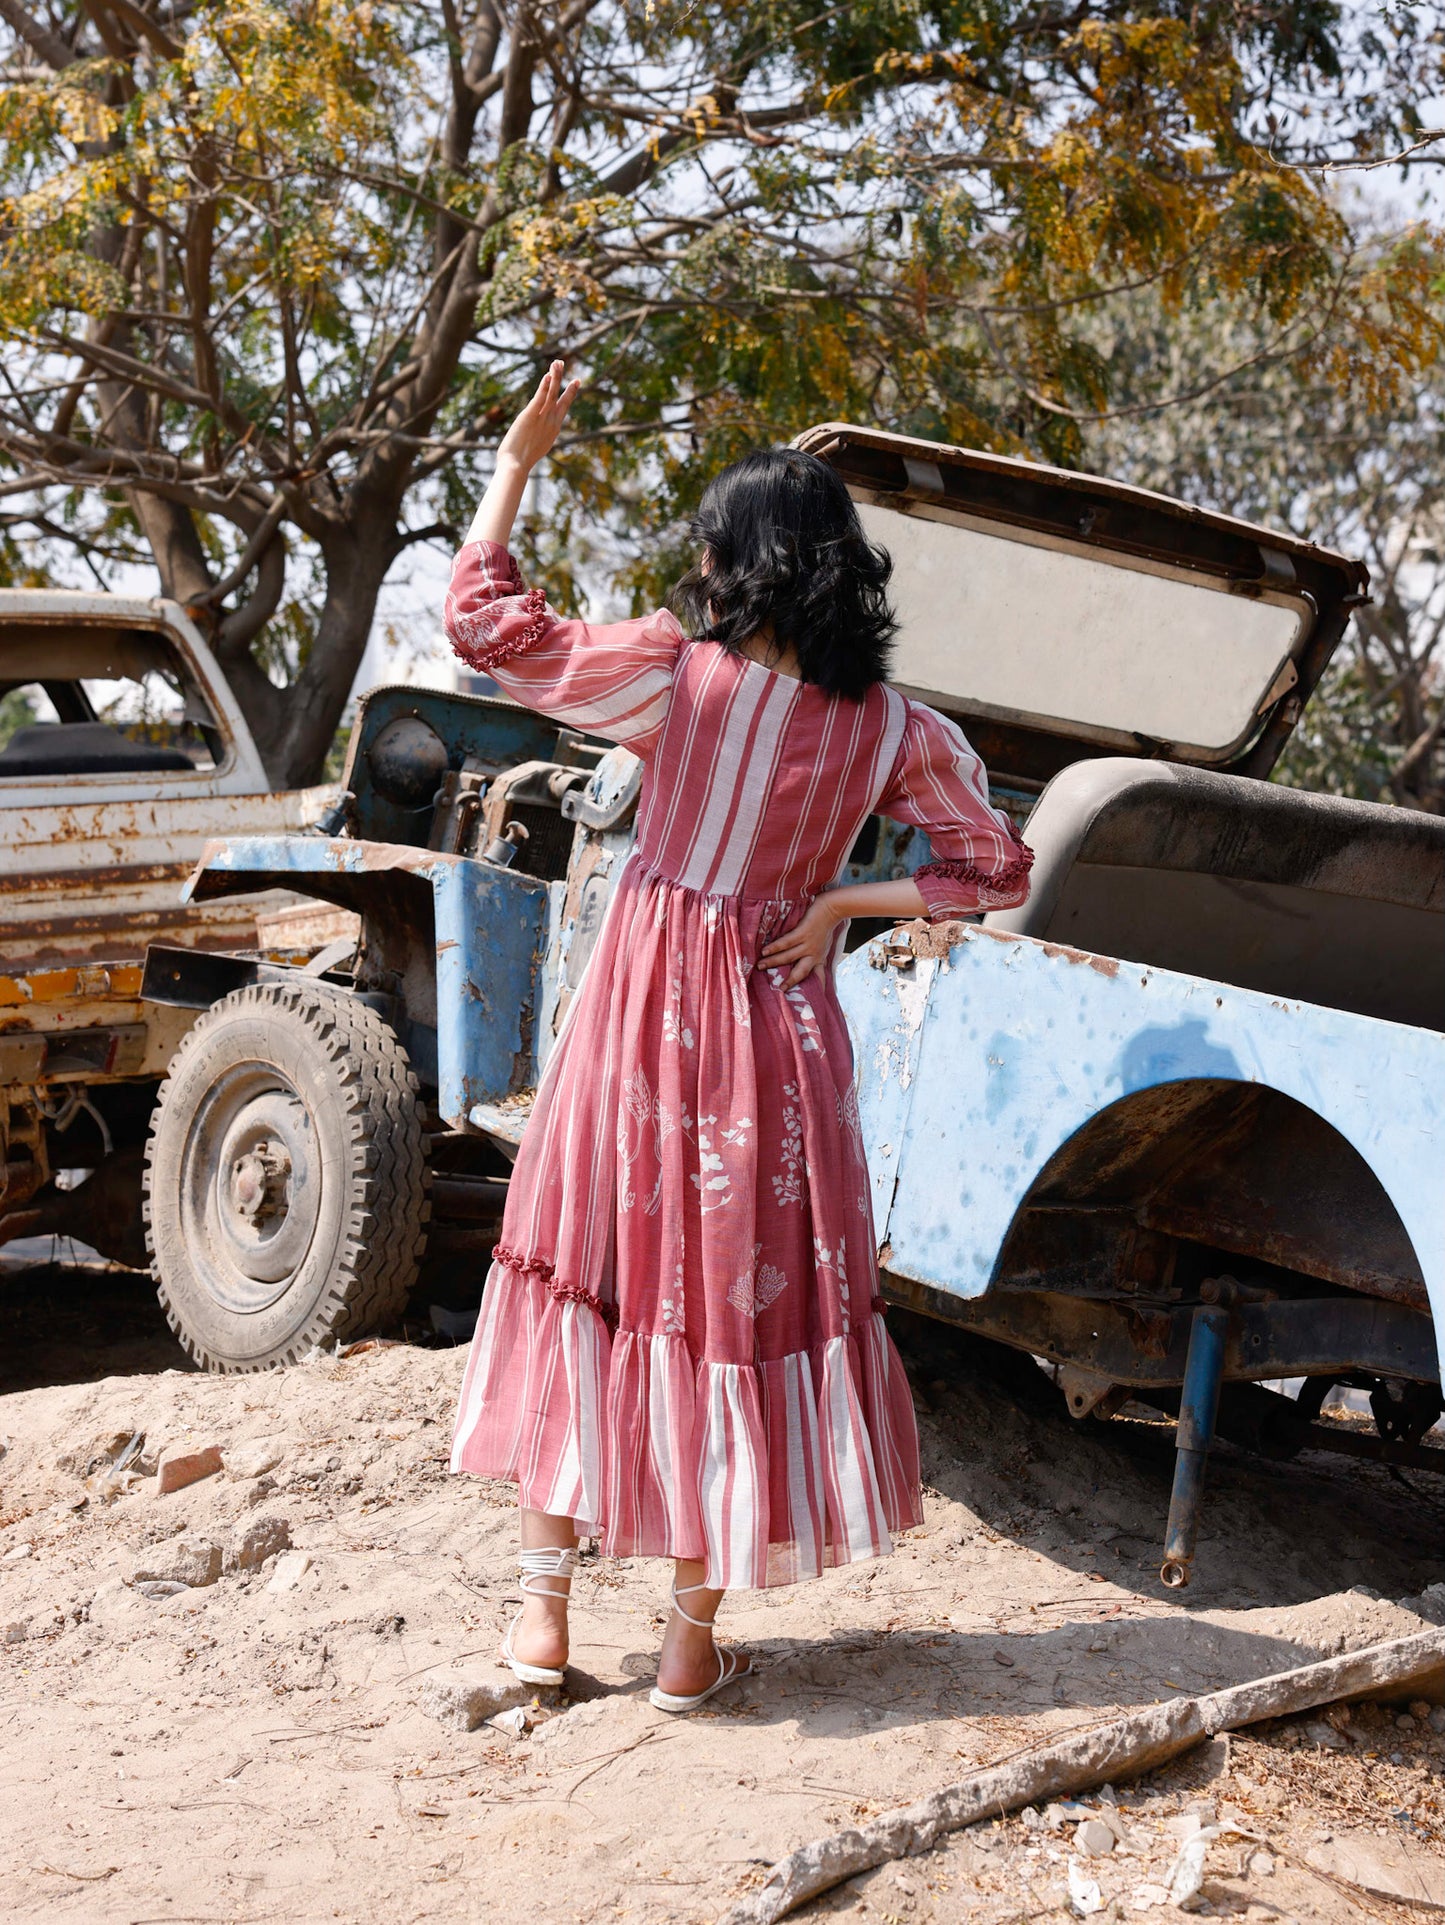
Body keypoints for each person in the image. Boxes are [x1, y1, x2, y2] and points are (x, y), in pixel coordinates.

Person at [446, 363, 1033, 1713]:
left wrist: (518, 462)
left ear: (741, 564)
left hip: (642, 1021)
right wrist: (845, 898)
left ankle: (540, 1624)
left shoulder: (675, 681)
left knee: (591, 1268)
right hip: (777, 1041)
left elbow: (486, 621)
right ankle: (686, 1641)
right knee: (725, 1301)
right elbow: (992, 864)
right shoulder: (888, 727)